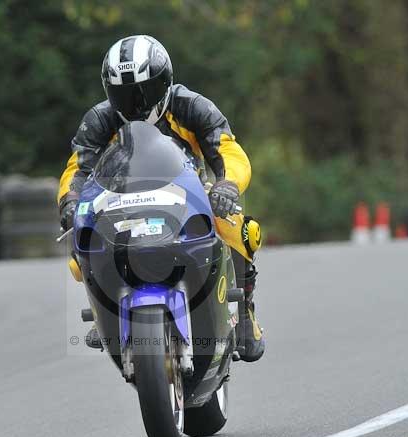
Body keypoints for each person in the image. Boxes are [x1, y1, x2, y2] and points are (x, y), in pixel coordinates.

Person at [58, 35, 264, 362]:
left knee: (239, 228)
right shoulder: (100, 119)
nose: (135, 103)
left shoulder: (192, 106)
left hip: (188, 195)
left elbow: (228, 150)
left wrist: (227, 185)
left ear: (165, 83)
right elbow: (77, 168)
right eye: (123, 94)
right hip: (120, 201)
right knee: (79, 249)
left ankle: (245, 309)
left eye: (144, 91)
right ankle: (104, 310)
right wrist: (70, 200)